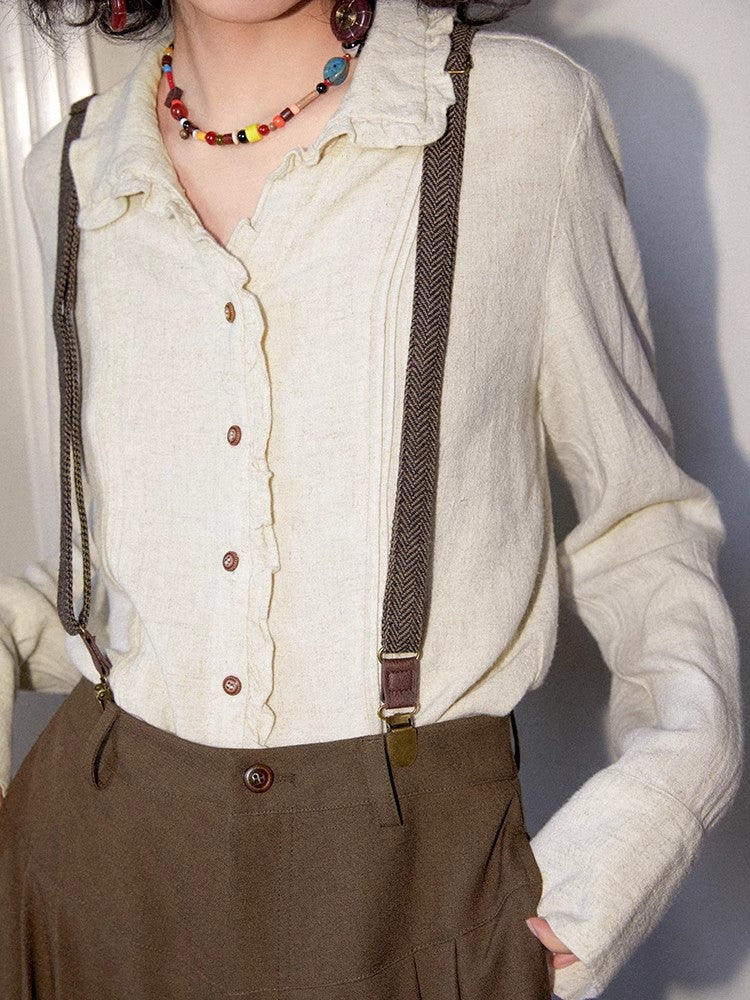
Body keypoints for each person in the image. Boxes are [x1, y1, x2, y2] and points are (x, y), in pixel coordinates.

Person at [0, 0, 742, 998]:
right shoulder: (69, 168)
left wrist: (652, 815)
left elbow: (641, 528)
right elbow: (148, 576)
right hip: (92, 892)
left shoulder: (518, 116)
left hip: (407, 897)